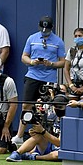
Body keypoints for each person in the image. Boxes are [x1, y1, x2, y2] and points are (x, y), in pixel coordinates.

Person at [14, 16, 66, 146]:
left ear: (52, 28)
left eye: (47, 30)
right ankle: (20, 135)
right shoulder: (32, 38)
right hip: (33, 75)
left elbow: (63, 62)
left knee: (45, 107)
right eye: (42, 29)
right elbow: (24, 57)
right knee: (26, 105)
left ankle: (46, 136)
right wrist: (32, 62)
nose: (44, 32)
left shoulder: (58, 41)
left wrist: (51, 64)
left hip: (49, 78)